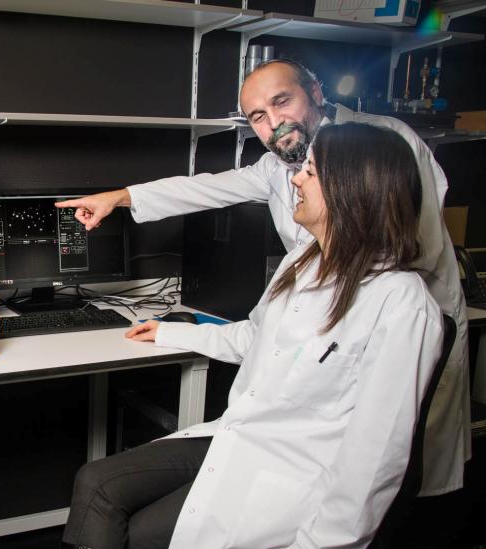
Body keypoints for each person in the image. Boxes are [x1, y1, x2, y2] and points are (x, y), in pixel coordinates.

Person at [51, 123, 445, 549]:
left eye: (311, 172)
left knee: (128, 548)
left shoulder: (400, 303)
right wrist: (172, 331)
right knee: (95, 481)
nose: (295, 179)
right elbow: (256, 338)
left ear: (352, 189)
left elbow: (378, 453)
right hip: (243, 437)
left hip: (291, 474)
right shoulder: (303, 262)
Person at [55, 60, 469, 503]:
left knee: (391, 474)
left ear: (315, 92)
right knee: (327, 477)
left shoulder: (381, 145)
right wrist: (120, 198)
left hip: (389, 327)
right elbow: (205, 189)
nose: (274, 123)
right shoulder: (278, 170)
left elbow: (410, 247)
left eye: (282, 101)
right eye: (258, 116)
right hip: (322, 344)